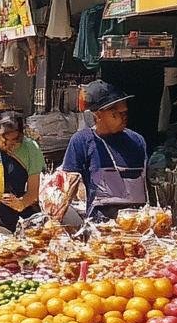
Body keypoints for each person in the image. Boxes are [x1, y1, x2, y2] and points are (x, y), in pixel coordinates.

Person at [60, 80, 148, 221]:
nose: (123, 118)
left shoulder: (137, 141)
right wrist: (57, 217)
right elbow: (70, 183)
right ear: (98, 115)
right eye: (116, 114)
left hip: (136, 225)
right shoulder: (81, 141)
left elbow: (145, 184)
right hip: (100, 228)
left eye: (125, 113)